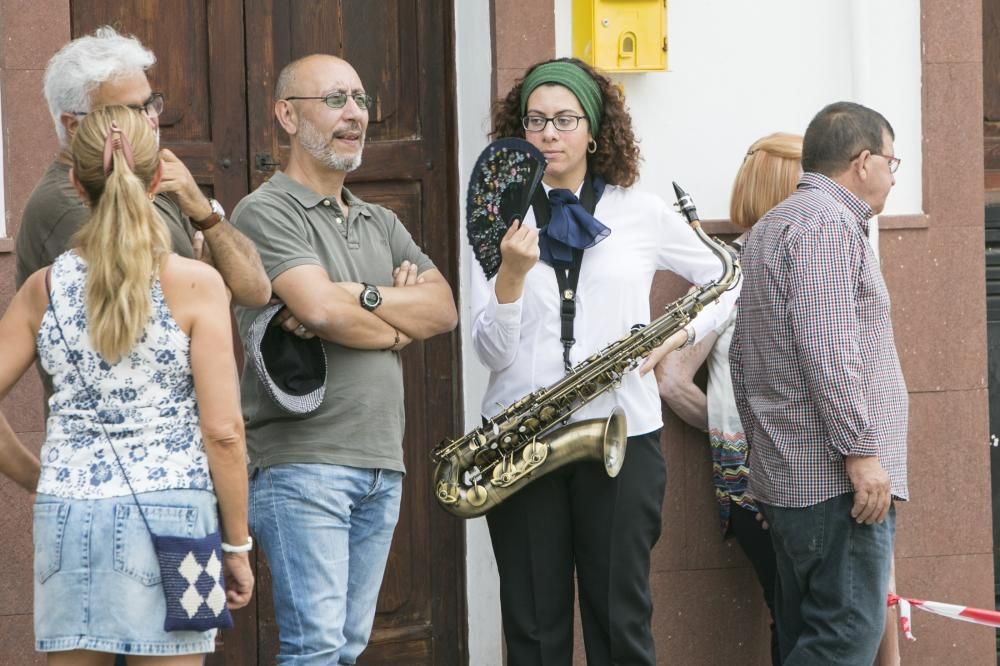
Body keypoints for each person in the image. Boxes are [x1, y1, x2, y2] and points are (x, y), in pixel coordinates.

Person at [471, 57, 737, 665]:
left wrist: (678, 340)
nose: (549, 133)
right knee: (534, 632)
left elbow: (727, 279)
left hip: (624, 433)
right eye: (535, 120)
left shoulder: (640, 210)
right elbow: (490, 351)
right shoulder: (494, 219)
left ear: (593, 130)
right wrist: (510, 278)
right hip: (521, 440)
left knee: (621, 623)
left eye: (565, 119)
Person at [0, 105, 253, 663]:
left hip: (66, 515)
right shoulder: (196, 284)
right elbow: (225, 433)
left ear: (75, 183)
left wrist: (39, 478)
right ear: (157, 179)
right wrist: (237, 545)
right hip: (178, 516)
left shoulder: (44, 288)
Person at [230, 54, 458, 665]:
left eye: (359, 99)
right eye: (334, 99)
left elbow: (442, 310)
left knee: (348, 648)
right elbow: (318, 310)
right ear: (286, 115)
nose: (355, 113)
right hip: (303, 465)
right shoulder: (265, 211)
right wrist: (394, 326)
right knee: (316, 650)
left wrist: (362, 294)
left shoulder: (380, 220)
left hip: (382, 462)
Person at [730, 101, 908, 665]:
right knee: (846, 635)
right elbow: (829, 351)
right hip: (836, 487)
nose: (891, 175)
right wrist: (861, 453)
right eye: (891, 161)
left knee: (808, 632)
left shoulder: (770, 229)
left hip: (791, 481)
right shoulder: (828, 227)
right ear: (862, 163)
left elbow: (742, 359)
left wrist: (764, 465)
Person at [657, 132, 803, 665]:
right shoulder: (730, 272)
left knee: (798, 612)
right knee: (795, 611)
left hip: (789, 476)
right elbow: (671, 379)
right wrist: (735, 439)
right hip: (758, 484)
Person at [16, 26, 270, 306]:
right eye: (128, 112)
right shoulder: (70, 205)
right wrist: (207, 280)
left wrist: (204, 211)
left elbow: (256, 291)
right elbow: (147, 322)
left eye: (150, 104)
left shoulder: (153, 177)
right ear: (74, 125)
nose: (150, 119)